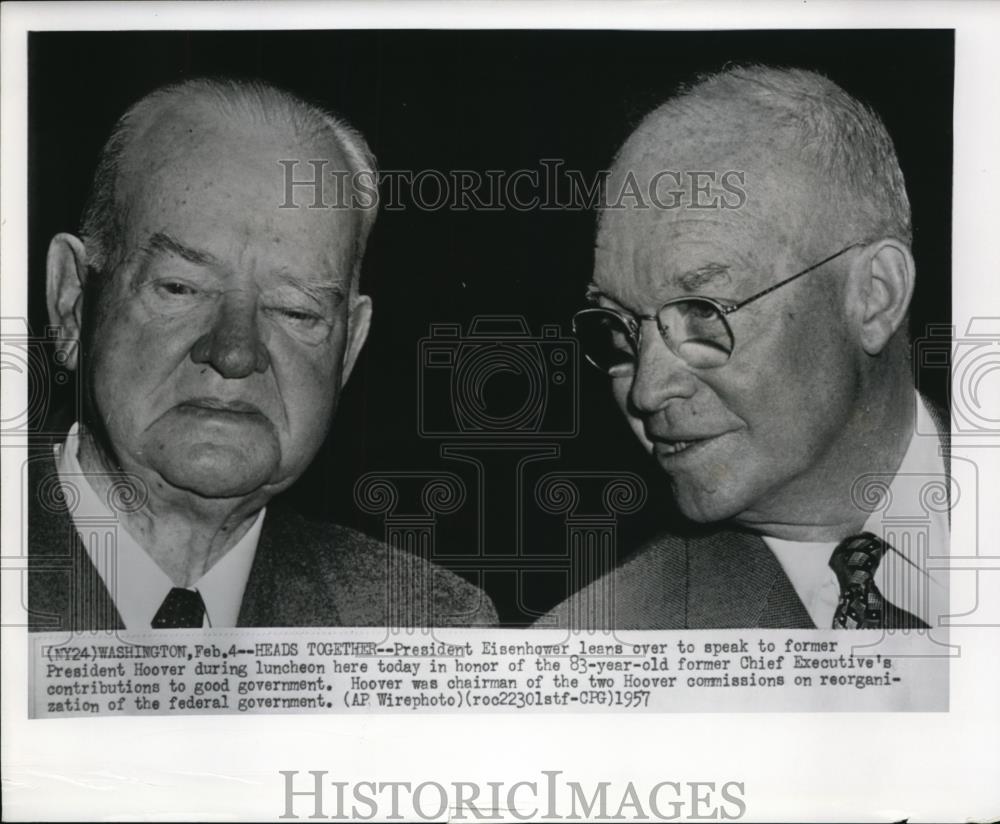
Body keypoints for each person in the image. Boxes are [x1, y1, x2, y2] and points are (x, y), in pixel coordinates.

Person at [29, 77, 496, 631]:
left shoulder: (431, 629)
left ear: (348, 351)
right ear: (73, 301)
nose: (233, 353)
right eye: (180, 288)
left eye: (296, 311)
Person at [543, 65, 949, 630]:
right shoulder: (591, 643)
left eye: (703, 313)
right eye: (620, 330)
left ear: (874, 297)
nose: (646, 389)